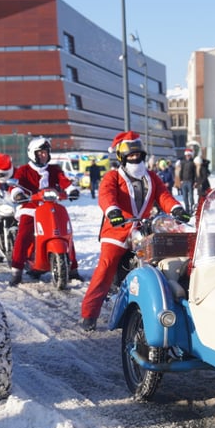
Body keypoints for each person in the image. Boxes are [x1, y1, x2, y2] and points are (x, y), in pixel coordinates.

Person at [79, 131, 190, 331]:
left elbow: (163, 196)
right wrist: (113, 211)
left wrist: (176, 209)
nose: (134, 158)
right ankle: (89, 313)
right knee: (105, 267)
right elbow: (106, 195)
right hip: (117, 230)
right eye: (130, 155)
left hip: (144, 229)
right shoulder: (113, 176)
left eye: (137, 154)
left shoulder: (151, 177)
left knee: (163, 262)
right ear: (121, 156)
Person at [8, 137, 79, 286]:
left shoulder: (54, 169)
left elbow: (64, 181)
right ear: (33, 154)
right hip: (30, 207)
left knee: (65, 231)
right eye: (40, 153)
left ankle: (72, 269)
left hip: (51, 206)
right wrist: (18, 193)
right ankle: (17, 270)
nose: (43, 155)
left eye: (45, 152)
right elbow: (15, 184)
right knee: (24, 234)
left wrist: (71, 190)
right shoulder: (24, 170)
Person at [178, 148, 196, 213]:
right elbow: (181, 171)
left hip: (190, 181)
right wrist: (181, 180)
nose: (188, 156)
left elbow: (195, 173)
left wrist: (195, 182)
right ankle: (187, 209)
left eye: (189, 155)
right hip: (184, 181)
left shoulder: (193, 162)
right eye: (187, 155)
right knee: (185, 196)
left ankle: (192, 209)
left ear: (190, 155)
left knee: (191, 197)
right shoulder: (183, 162)